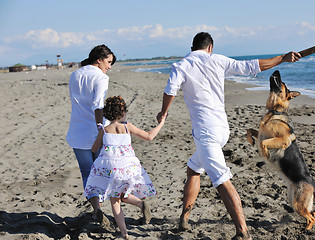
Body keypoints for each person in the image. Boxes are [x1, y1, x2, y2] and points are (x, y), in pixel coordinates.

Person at [156, 32, 301, 240]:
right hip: (222, 129)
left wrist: (163, 112)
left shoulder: (182, 65)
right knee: (193, 169)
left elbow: (170, 90)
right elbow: (253, 66)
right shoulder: (217, 59)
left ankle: (242, 231)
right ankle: (184, 219)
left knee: (221, 179)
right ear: (210, 48)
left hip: (206, 133)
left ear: (192, 47)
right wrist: (282, 58)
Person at [85, 96, 165, 239]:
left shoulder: (105, 129)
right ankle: (141, 204)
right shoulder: (128, 127)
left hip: (111, 167)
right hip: (128, 167)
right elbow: (149, 136)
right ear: (122, 113)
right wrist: (161, 123)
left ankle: (124, 233)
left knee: (115, 200)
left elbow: (94, 149)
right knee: (123, 194)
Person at [66, 44, 116, 224]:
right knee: (102, 171)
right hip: (95, 131)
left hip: (77, 132)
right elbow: (97, 105)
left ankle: (96, 209)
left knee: (87, 172)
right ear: (99, 60)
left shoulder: (75, 75)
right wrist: (100, 129)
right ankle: (105, 208)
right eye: (108, 62)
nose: (109, 66)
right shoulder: (101, 77)